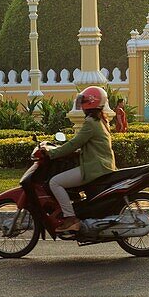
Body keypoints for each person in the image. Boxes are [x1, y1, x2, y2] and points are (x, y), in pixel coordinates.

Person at [46, 86, 117, 232]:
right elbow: (88, 145)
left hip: (94, 168)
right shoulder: (102, 120)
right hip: (102, 165)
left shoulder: (91, 122)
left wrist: (51, 154)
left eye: (84, 101)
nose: (82, 105)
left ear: (91, 102)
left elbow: (74, 143)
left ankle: (71, 218)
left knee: (55, 182)